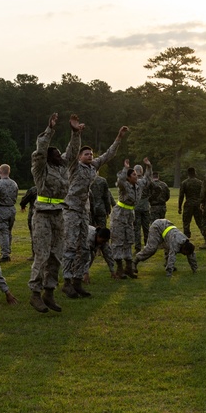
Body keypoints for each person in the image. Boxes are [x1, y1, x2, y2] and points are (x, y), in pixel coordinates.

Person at [61, 125, 127, 299]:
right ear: (79, 157)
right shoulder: (74, 166)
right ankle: (66, 283)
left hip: (84, 211)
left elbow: (108, 155)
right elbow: (72, 149)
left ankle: (77, 282)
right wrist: (76, 133)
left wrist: (118, 138)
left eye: (91, 154)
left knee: (84, 248)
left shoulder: (93, 167)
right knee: (70, 247)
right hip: (71, 210)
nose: (90, 156)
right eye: (86, 154)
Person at [27, 113, 82, 314]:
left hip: (59, 214)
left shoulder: (62, 167)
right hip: (42, 214)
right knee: (41, 255)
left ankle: (49, 292)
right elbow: (40, 150)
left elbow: (73, 151)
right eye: (55, 152)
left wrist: (75, 133)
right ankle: (35, 293)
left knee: (56, 255)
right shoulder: (40, 168)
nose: (59, 154)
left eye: (60, 152)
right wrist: (50, 130)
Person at [111, 157, 150, 279]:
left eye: (136, 174)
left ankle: (128, 267)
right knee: (118, 240)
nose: (136, 176)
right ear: (128, 177)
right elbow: (120, 180)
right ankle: (119, 269)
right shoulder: (124, 185)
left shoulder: (138, 184)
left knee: (129, 240)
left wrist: (149, 166)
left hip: (129, 215)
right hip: (119, 214)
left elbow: (148, 179)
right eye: (133, 175)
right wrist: (126, 168)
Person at [0, 164, 19, 262]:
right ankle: (8, 249)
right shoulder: (14, 183)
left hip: (2, 209)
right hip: (12, 209)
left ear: (0, 172)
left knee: (3, 232)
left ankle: (5, 254)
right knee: (9, 232)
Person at [178, 167, 203, 239]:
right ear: (195, 173)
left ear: (188, 173)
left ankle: (186, 237)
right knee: (200, 222)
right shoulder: (200, 183)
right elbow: (203, 194)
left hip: (188, 204)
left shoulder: (184, 183)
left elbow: (181, 196)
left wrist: (179, 207)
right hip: (198, 204)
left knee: (186, 223)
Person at [19, 185, 38, 257]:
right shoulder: (52, 187)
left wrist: (22, 206)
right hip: (52, 212)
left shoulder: (33, 190)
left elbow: (24, 200)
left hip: (34, 213)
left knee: (34, 234)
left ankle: (35, 254)